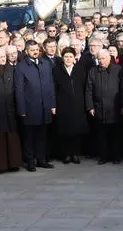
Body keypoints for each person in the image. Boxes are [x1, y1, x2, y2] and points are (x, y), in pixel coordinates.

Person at [14, 40, 56, 172]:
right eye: (32, 50)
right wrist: (22, 109)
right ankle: (30, 161)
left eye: (36, 49)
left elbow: (51, 86)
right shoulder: (21, 67)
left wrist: (52, 104)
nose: (35, 52)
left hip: (45, 106)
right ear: (26, 51)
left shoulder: (45, 64)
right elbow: (19, 89)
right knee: (29, 137)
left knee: (42, 135)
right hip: (30, 108)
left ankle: (41, 159)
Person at [85, 48, 123, 165]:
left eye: (103, 58)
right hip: (99, 108)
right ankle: (103, 156)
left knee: (115, 135)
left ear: (109, 58)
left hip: (114, 108)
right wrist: (90, 106)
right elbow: (89, 90)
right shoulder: (93, 71)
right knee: (101, 135)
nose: (101, 61)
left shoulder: (118, 70)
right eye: (99, 59)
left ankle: (115, 156)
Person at [53, 48, 88, 164]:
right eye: (66, 57)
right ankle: (67, 154)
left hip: (78, 104)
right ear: (62, 58)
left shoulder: (80, 70)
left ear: (74, 58)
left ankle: (75, 153)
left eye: (70, 57)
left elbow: (85, 87)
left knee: (76, 130)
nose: (68, 59)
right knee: (65, 130)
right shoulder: (57, 70)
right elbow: (54, 88)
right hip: (63, 104)